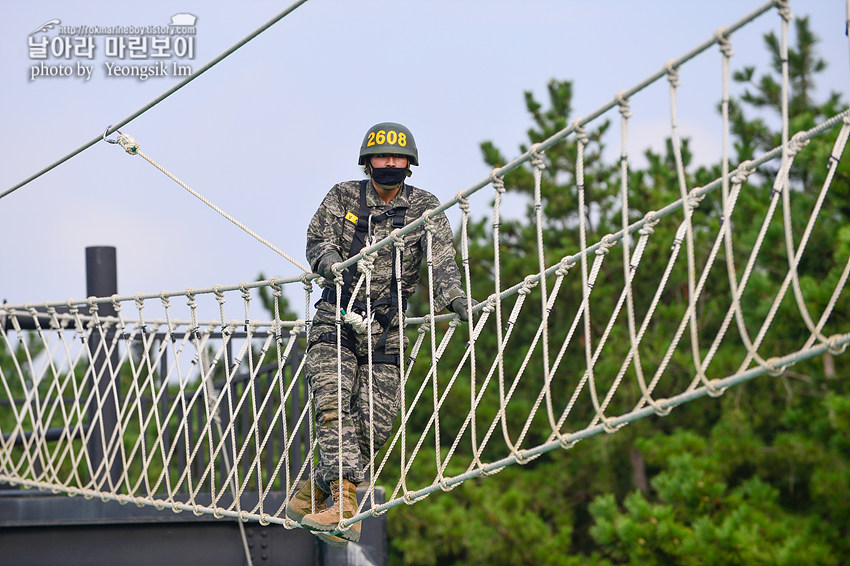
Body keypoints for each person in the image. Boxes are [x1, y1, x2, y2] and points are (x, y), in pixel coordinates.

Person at [285, 122, 476, 546]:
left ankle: (312, 492)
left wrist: (454, 297)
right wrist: (333, 260)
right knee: (334, 407)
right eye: (381, 157)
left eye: (396, 157)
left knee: (372, 427)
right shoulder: (343, 197)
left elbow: (440, 257)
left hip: (386, 331)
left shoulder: (424, 207)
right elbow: (317, 240)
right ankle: (344, 508)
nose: (389, 164)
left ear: (409, 163)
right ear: (367, 161)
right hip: (335, 320)